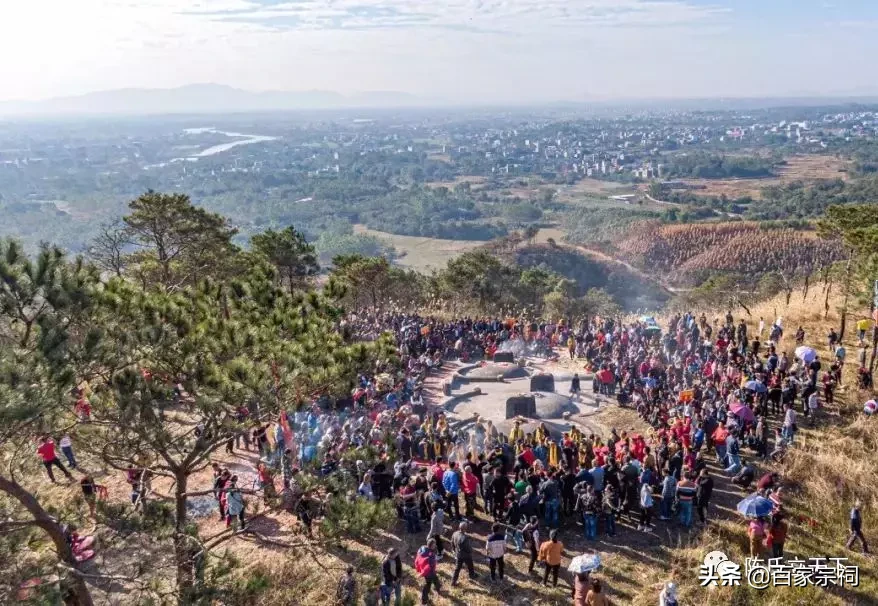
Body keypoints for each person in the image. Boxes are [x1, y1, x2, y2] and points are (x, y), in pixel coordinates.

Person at [451, 521, 478, 586]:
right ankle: (472, 575)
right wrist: (471, 551)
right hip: (466, 555)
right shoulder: (464, 538)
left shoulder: (455, 533)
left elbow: (452, 542)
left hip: (458, 554)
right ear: (465, 529)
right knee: (470, 565)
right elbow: (468, 549)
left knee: (457, 568)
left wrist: (454, 550)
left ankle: (453, 581)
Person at [415, 539, 440, 605]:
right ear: (431, 546)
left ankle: (437, 588)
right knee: (427, 586)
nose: (435, 546)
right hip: (429, 573)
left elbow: (417, 559)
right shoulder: (430, 556)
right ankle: (424, 601)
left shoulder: (422, 548)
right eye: (434, 545)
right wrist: (420, 575)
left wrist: (419, 570)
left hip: (425, 571)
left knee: (435, 579)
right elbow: (427, 568)